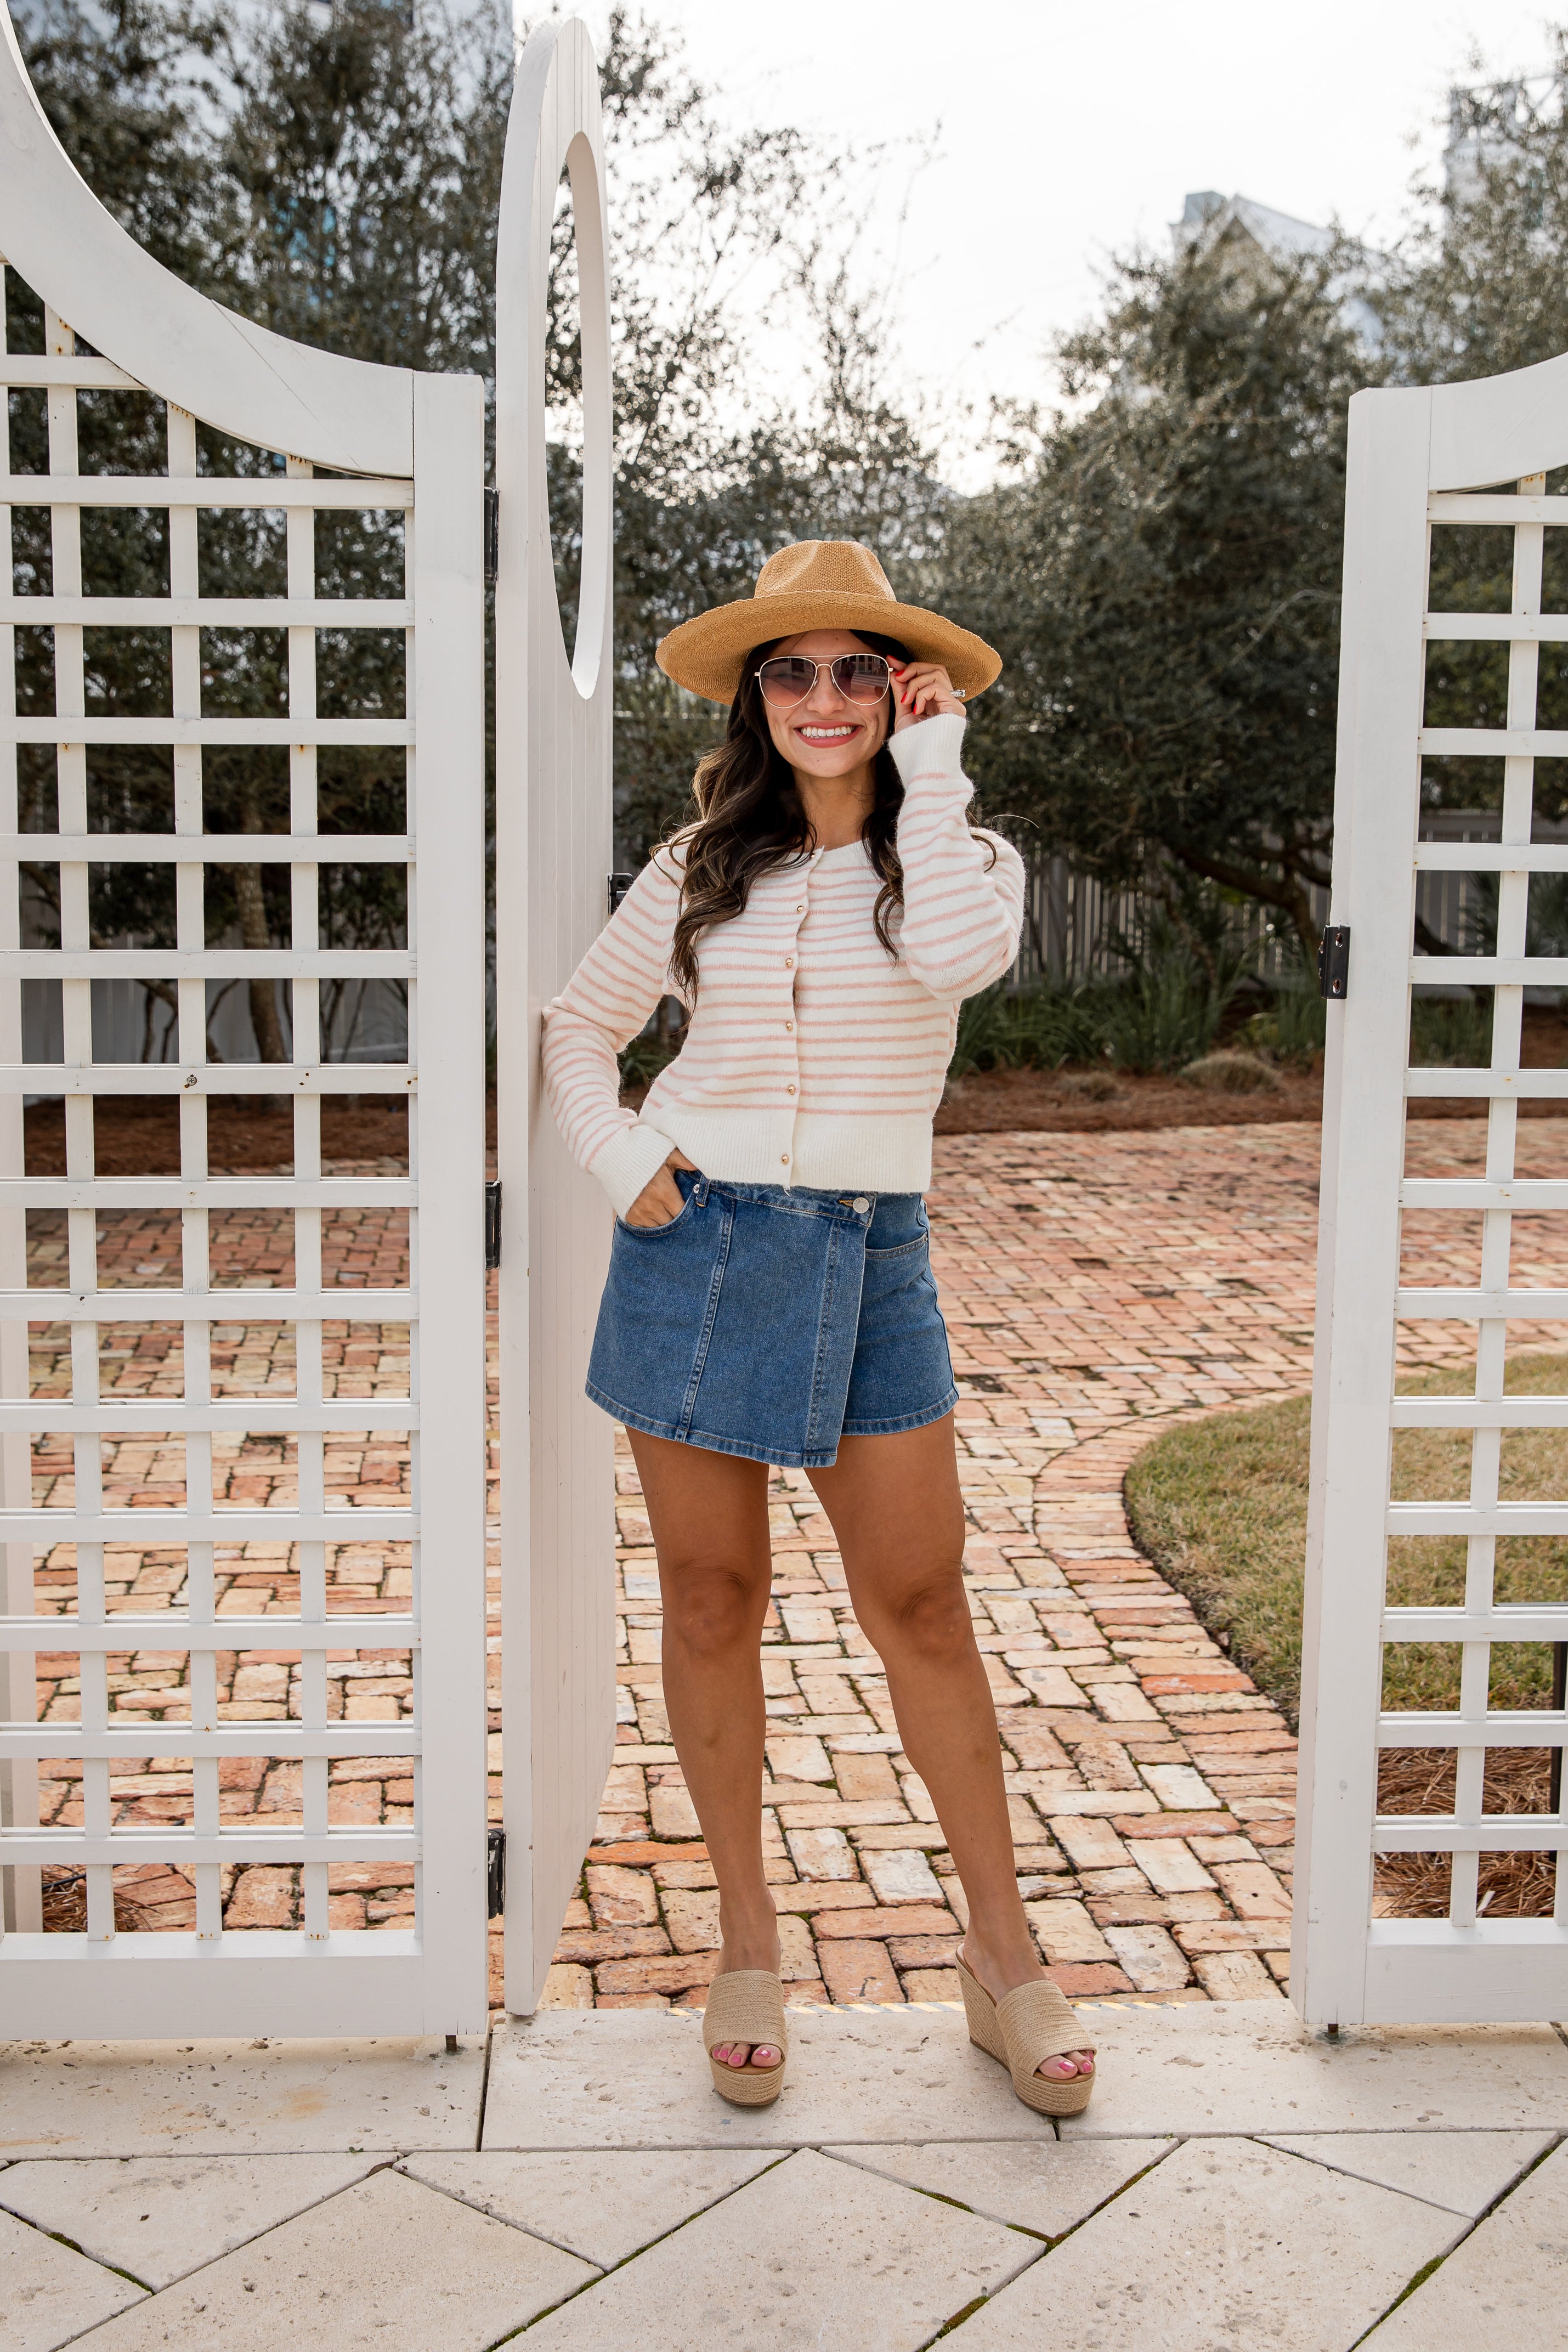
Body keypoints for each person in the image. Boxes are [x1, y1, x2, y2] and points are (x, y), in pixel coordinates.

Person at [542, 539, 1096, 2116]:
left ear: (901, 692)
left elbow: (956, 968)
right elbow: (579, 1031)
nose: (825, 697)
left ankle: (1003, 1960)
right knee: (714, 1600)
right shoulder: (699, 864)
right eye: (792, 670)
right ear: (754, 695)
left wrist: (935, 769)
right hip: (695, 1243)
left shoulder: (963, 862)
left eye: (860, 668)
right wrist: (626, 1158)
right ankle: (747, 1945)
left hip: (872, 1260)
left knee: (922, 1607)